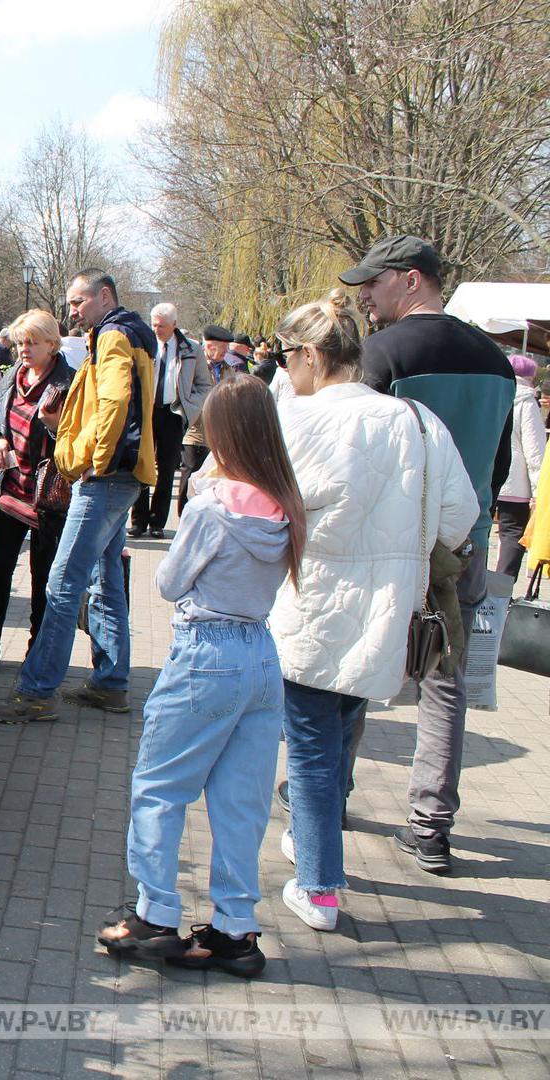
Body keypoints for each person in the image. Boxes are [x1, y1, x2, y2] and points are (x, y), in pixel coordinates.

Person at [268, 290, 474, 931]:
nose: (283, 371)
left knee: (310, 747)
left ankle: (321, 887)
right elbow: (459, 518)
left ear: (308, 356)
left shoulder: (297, 423)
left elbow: (257, 513)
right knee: (331, 738)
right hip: (389, 615)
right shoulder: (416, 421)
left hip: (311, 607)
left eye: (285, 358)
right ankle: (311, 839)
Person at [97, 375, 305, 977]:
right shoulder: (286, 501)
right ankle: (235, 930)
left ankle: (156, 912)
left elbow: (167, 582)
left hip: (207, 651)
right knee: (241, 803)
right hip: (261, 656)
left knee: (160, 787)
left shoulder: (213, 505)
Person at [350, 234, 516, 875]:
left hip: (392, 542)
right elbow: (499, 465)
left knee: (359, 670)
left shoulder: (383, 353)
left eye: (375, 282)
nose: (365, 295)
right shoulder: (497, 362)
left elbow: (361, 457)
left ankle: (327, 791)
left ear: (411, 280)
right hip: (464, 543)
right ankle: (430, 823)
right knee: (447, 683)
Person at [0, 269, 156, 723]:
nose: (73, 312)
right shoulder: (129, 333)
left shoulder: (115, 335)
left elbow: (117, 403)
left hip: (106, 477)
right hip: (122, 475)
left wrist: (94, 462)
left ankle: (38, 693)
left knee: (62, 585)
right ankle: (110, 684)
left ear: (105, 296)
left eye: (79, 302)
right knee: (106, 579)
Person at [0, 309, 74, 674]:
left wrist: (52, 427)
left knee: (42, 578)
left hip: (48, 497)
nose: (24, 350)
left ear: (52, 343)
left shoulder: (68, 382)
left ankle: (36, 655)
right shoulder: (15, 374)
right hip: (9, 491)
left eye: (32, 342)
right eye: (20, 343)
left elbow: (74, 439)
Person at [131, 302, 211, 539]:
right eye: (154, 324)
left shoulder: (191, 349)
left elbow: (203, 384)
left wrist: (190, 408)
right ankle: (138, 521)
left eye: (162, 326)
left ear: (174, 324)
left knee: (166, 469)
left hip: (173, 413)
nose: (157, 329)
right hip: (146, 411)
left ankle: (157, 522)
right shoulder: (145, 343)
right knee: (142, 465)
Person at [495, 354, 544, 580]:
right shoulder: (526, 402)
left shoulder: (494, 395)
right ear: (530, 377)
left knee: (480, 531)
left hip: (489, 476)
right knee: (512, 533)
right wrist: (539, 491)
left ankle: (475, 590)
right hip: (516, 485)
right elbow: (534, 450)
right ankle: (501, 593)